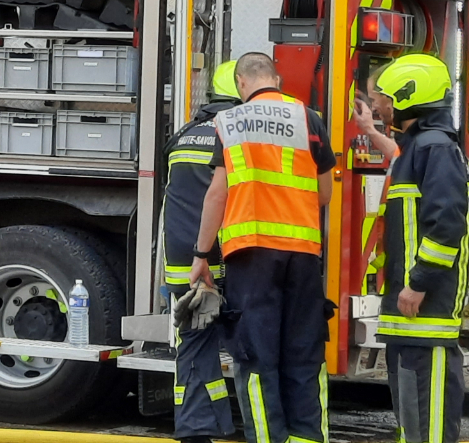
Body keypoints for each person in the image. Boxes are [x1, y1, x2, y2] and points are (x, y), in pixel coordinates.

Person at [190, 51, 337, 443]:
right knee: (304, 354)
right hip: (304, 255)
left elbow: (217, 194)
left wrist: (202, 256)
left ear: (241, 83)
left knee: (256, 358)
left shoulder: (230, 122)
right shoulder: (309, 118)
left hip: (251, 255)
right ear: (277, 79)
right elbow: (324, 194)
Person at [361, 54, 466, 443]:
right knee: (413, 419)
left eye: (384, 98)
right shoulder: (418, 148)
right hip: (409, 311)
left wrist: (419, 282)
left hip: (426, 308)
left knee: (429, 421)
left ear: (409, 96)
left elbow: (448, 221)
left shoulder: (434, 148)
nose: (377, 105)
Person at [164, 61, 239, 443]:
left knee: (195, 344)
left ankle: (201, 429)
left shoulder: (185, 134)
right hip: (216, 261)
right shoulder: (235, 137)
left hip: (181, 265)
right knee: (244, 346)